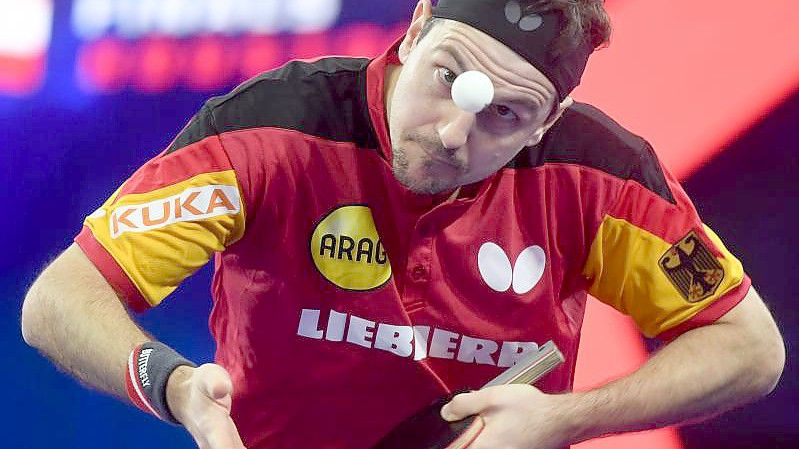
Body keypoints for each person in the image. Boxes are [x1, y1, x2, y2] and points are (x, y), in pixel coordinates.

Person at [21, 0, 785, 448]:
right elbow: (58, 299)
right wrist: (178, 386)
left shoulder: (603, 176)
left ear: (545, 120)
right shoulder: (269, 130)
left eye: (504, 114)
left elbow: (749, 348)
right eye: (447, 77)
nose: (455, 131)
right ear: (415, 30)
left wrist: (563, 419)